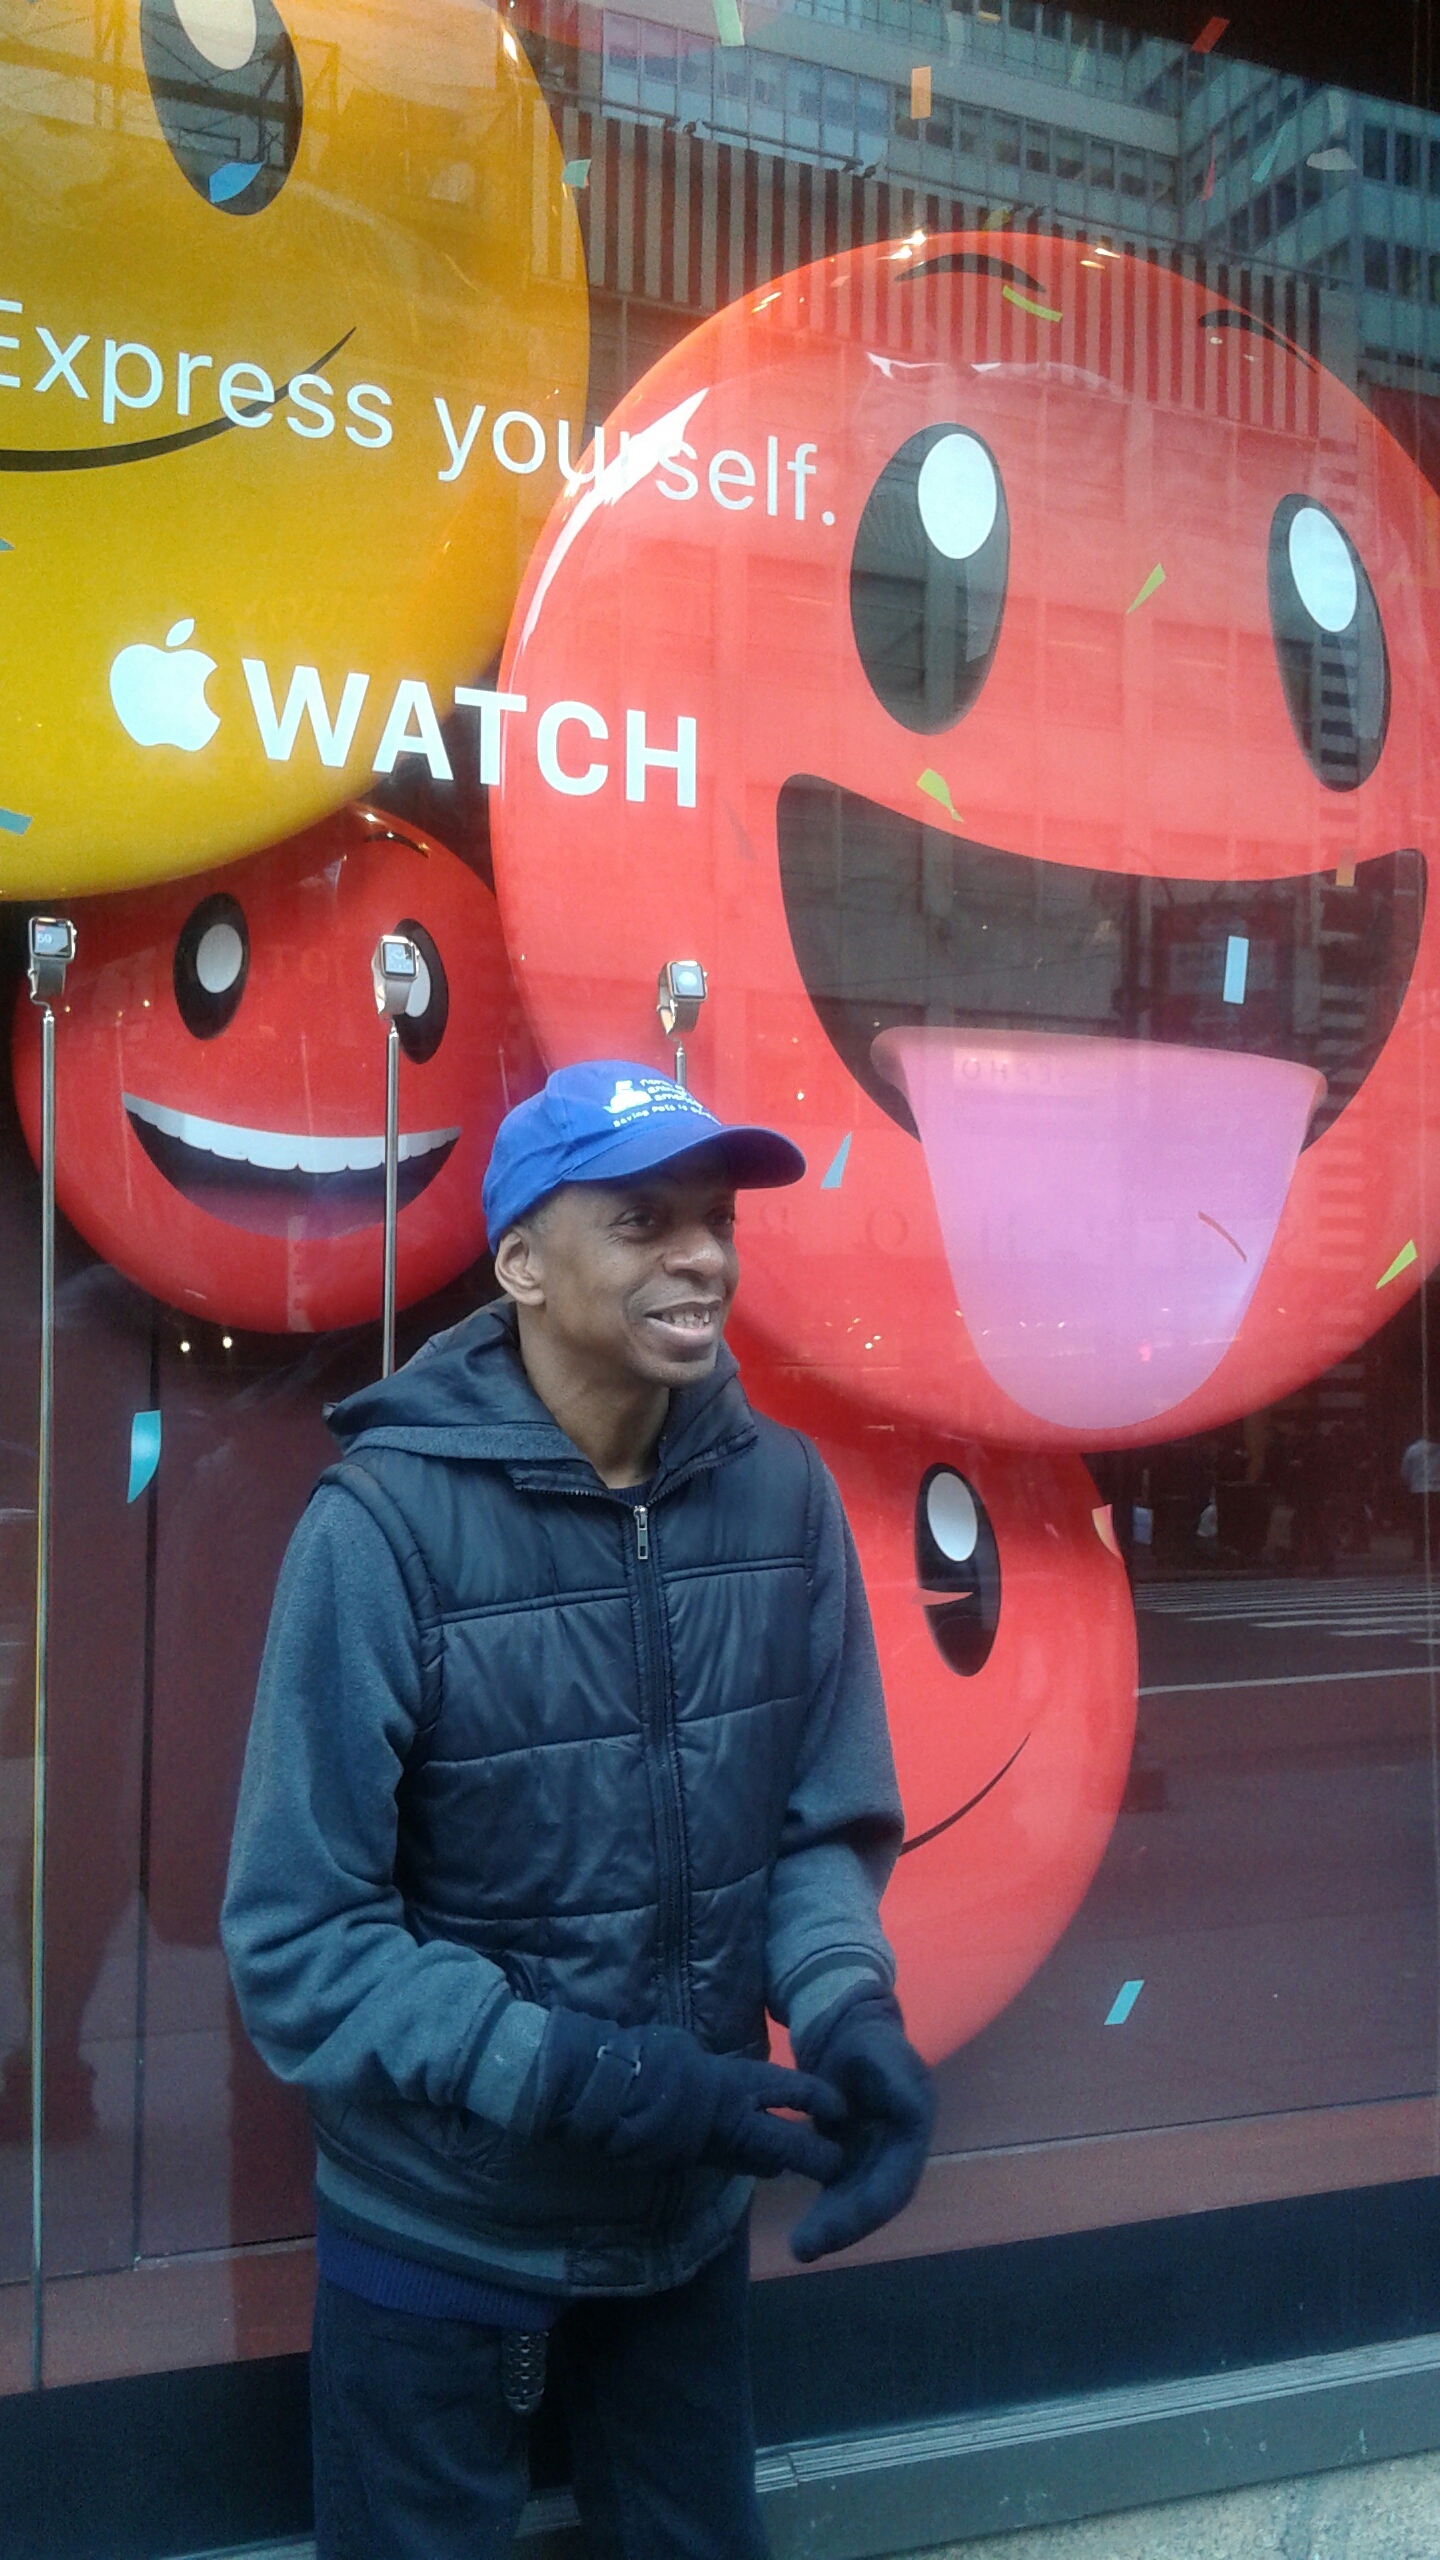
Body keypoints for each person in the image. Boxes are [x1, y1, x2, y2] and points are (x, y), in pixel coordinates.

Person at [222, 1059, 934, 2560]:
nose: (703, 1255)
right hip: (437, 2238)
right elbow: (301, 1942)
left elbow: (814, 1829)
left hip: (682, 2226)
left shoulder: (784, 1498)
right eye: (644, 1220)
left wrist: (848, 2014)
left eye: (716, 1218)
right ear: (523, 1267)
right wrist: (591, 2078)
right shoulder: (380, 1528)